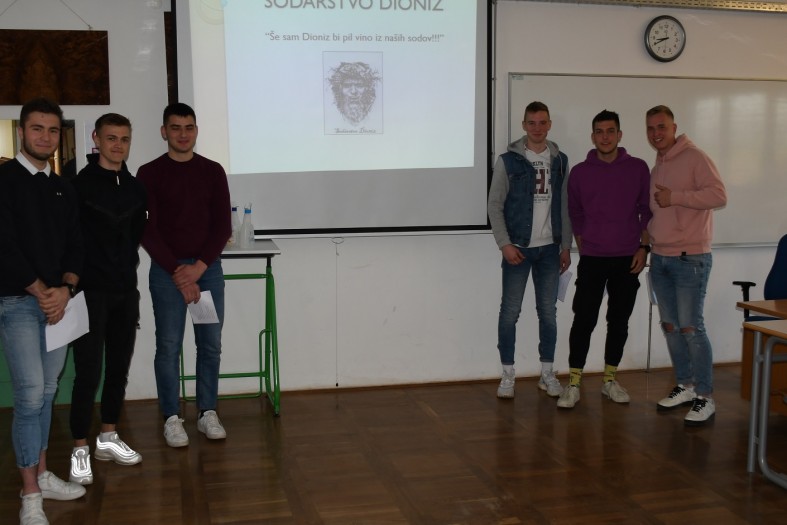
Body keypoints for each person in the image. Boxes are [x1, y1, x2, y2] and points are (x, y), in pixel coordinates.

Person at [0, 98, 86, 525]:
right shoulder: (4, 180)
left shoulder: (63, 187)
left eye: (53, 130)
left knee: (48, 391)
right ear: (22, 132)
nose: (45, 137)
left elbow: (76, 245)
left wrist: (65, 289)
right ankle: (29, 492)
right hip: (17, 303)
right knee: (30, 394)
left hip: (58, 305)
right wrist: (40, 291)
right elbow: (4, 245)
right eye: (37, 128)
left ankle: (43, 473)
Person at [138, 103, 231, 447]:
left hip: (207, 272)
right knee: (168, 345)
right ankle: (171, 417)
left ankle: (207, 412)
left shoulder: (213, 171)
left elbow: (222, 226)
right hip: (167, 273)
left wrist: (199, 268)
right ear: (164, 131)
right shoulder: (149, 173)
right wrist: (179, 272)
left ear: (196, 131)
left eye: (188, 127)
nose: (182, 134)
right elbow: (146, 229)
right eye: (175, 127)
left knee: (210, 345)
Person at [67, 113, 147, 485]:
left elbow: (135, 237)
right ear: (96, 139)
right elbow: (70, 239)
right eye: (111, 138)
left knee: (118, 367)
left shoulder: (135, 188)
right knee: (88, 372)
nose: (118, 145)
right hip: (88, 292)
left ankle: (108, 437)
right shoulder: (78, 185)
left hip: (125, 291)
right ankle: (79, 447)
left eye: (124, 139)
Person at [556, 110, 652, 409]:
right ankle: (574, 382)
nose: (605, 137)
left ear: (619, 135)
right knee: (583, 320)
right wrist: (583, 243)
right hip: (593, 259)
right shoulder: (580, 172)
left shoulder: (638, 168)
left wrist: (644, 248)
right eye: (599, 131)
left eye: (610, 131)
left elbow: (646, 211)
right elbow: (575, 212)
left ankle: (610, 380)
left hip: (628, 258)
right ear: (593, 136)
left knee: (618, 321)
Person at [645, 105, 727, 426]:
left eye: (661, 127)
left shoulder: (695, 157)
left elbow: (718, 195)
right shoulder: (658, 164)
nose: (656, 133)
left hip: (690, 258)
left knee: (692, 328)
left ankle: (705, 396)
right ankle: (686, 385)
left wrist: (677, 196)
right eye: (651, 128)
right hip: (660, 258)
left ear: (674, 127)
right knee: (670, 327)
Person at [488, 101, 572, 399]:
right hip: (518, 250)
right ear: (524, 125)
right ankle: (508, 374)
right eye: (532, 123)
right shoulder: (508, 161)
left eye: (542, 122)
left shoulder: (560, 160)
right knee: (510, 312)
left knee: (548, 313)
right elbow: (494, 205)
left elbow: (564, 206)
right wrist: (504, 244)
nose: (537, 128)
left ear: (549, 125)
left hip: (549, 250)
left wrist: (566, 246)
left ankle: (547, 373)